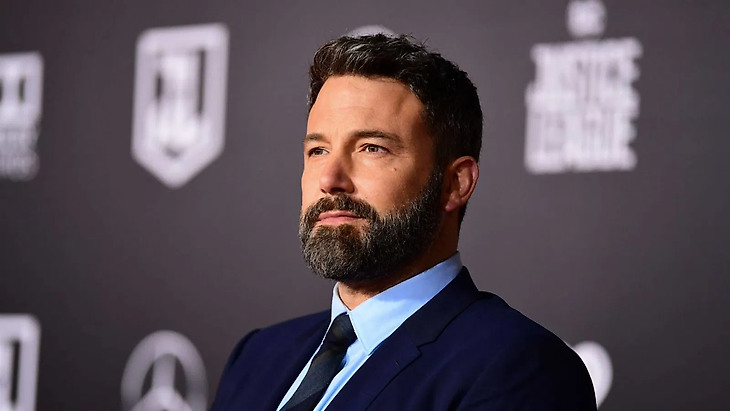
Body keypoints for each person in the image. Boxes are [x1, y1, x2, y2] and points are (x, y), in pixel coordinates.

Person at [211, 34, 596, 411]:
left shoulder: (519, 368)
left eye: (372, 148)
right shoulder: (257, 356)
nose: (329, 179)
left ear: (454, 184)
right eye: (318, 150)